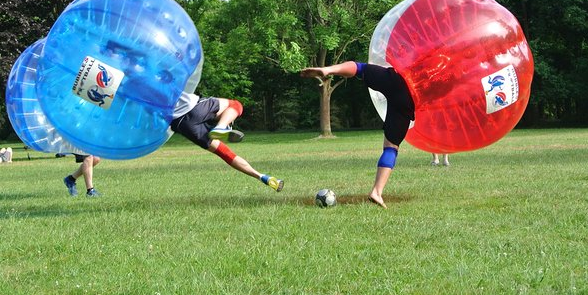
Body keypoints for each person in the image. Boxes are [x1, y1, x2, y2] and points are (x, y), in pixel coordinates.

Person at [300, 61, 414, 208]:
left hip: (396, 79)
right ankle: (376, 192)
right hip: (408, 100)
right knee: (391, 148)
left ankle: (328, 69)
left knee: (360, 68)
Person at [170, 92, 284, 192]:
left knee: (224, 153)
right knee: (235, 105)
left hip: (182, 125)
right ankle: (221, 126)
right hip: (192, 107)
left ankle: (262, 177)